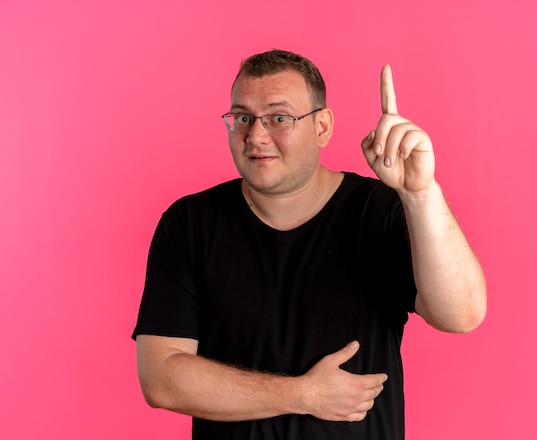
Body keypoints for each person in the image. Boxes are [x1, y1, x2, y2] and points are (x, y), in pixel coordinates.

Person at [132, 49, 486, 439]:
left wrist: (420, 193)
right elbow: (161, 378)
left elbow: (461, 314)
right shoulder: (189, 223)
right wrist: (304, 394)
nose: (256, 136)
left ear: (322, 127)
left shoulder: (380, 209)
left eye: (279, 118)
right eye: (243, 118)